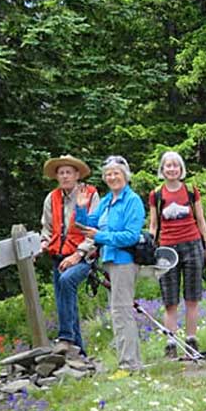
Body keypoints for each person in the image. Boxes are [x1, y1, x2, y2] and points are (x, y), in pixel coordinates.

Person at [75, 155, 145, 374]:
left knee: (122, 312)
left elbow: (132, 236)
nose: (112, 177)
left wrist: (102, 237)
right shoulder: (107, 200)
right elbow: (88, 225)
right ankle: (131, 362)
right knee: (119, 311)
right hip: (110, 261)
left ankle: (129, 365)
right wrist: (81, 209)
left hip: (125, 261)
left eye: (116, 173)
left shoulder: (132, 200)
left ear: (125, 175)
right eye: (108, 174)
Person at [148, 151, 206, 358]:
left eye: (176, 165)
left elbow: (201, 220)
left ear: (181, 169)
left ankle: (192, 339)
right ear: (162, 169)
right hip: (166, 249)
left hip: (192, 244)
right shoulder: (156, 194)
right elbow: (153, 225)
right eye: (168, 166)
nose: (172, 169)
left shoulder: (191, 190)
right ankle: (171, 342)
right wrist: (149, 252)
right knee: (170, 300)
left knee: (192, 297)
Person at [40, 155, 99, 357]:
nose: (64, 176)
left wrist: (78, 254)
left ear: (76, 175)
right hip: (58, 255)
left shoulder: (89, 195)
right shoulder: (52, 198)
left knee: (66, 282)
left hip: (85, 255)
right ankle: (80, 353)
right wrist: (42, 245)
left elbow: (94, 230)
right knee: (64, 298)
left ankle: (65, 337)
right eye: (61, 172)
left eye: (68, 172)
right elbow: (46, 229)